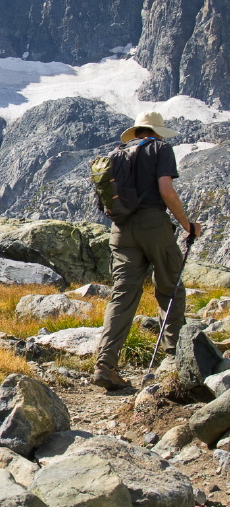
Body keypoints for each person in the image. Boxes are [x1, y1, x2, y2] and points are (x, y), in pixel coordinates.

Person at [93, 111, 202, 390]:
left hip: (121, 229)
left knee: (122, 295)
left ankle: (105, 364)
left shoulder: (115, 154)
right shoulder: (160, 148)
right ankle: (172, 356)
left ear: (137, 132)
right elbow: (166, 190)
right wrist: (187, 224)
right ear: (156, 132)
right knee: (170, 286)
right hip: (154, 223)